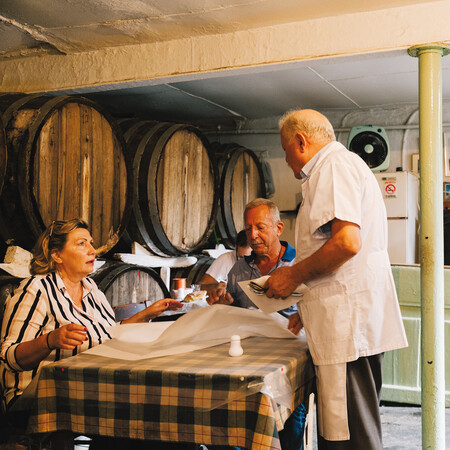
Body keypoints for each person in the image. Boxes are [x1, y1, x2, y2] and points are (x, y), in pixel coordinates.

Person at [265, 109, 408, 449]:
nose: (288, 163)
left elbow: (346, 243)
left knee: (352, 437)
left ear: (301, 141)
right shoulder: (339, 167)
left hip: (348, 330)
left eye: (286, 154)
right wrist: (308, 306)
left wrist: (293, 275)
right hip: (346, 323)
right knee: (345, 431)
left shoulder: (332, 167)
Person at [0, 219, 182, 415]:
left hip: (85, 388)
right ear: (57, 255)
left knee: (155, 398)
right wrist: (50, 340)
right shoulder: (36, 288)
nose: (92, 250)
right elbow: (10, 357)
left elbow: (108, 333)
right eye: (81, 243)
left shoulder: (91, 289)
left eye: (91, 243)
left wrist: (145, 315)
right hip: (36, 396)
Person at [207, 198, 305, 450]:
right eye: (248, 228)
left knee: (290, 416)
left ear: (279, 228)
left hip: (288, 359)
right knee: (221, 409)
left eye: (260, 227)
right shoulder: (239, 269)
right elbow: (231, 315)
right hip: (247, 362)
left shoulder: (300, 264)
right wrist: (223, 303)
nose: (253, 235)